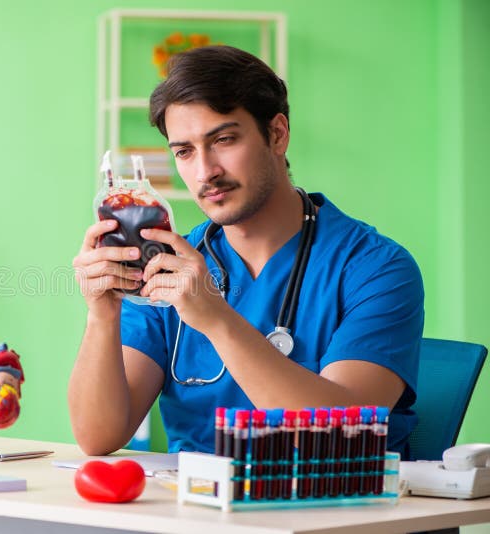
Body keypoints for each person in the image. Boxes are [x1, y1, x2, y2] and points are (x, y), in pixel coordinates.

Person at [69, 45, 424, 458]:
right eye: (184, 152)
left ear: (277, 134)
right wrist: (102, 313)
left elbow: (341, 437)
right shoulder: (169, 266)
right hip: (195, 496)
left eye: (223, 140)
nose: (205, 171)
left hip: (325, 496)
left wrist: (216, 319)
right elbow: (98, 437)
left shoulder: (376, 268)